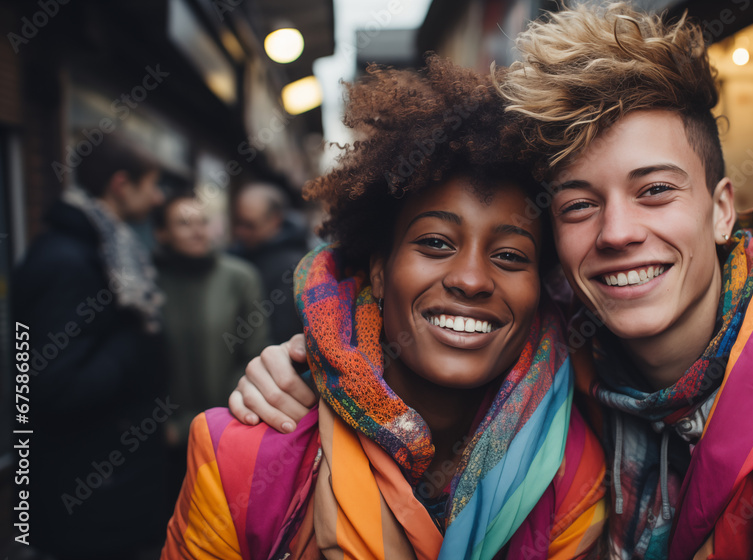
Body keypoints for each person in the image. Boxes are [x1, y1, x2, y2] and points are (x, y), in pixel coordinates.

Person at [232, 4, 753, 559]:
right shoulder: (549, 386)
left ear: (723, 208)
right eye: (579, 205)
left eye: (656, 190)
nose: (620, 231)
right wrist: (313, 366)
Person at [161, 56, 607, 560]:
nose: (470, 279)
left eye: (509, 255)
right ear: (378, 269)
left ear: (540, 288)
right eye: (436, 243)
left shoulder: (574, 474)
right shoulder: (239, 456)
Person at [14, 131, 170, 558]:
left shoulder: (107, 249)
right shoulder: (69, 261)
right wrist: (134, 340)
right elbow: (52, 384)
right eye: (152, 185)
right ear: (121, 185)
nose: (159, 198)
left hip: (111, 486)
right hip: (91, 494)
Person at [153, 191, 269, 493]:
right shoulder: (151, 283)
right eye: (183, 223)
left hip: (228, 429)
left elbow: (254, 355)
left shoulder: (240, 277)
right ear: (162, 233)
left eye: (203, 221)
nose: (197, 230)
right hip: (166, 439)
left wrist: (219, 418)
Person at [230, 182, 310, 344]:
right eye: (238, 223)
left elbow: (283, 332)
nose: (241, 232)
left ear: (275, 220)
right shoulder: (241, 253)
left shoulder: (294, 266)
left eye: (250, 225)